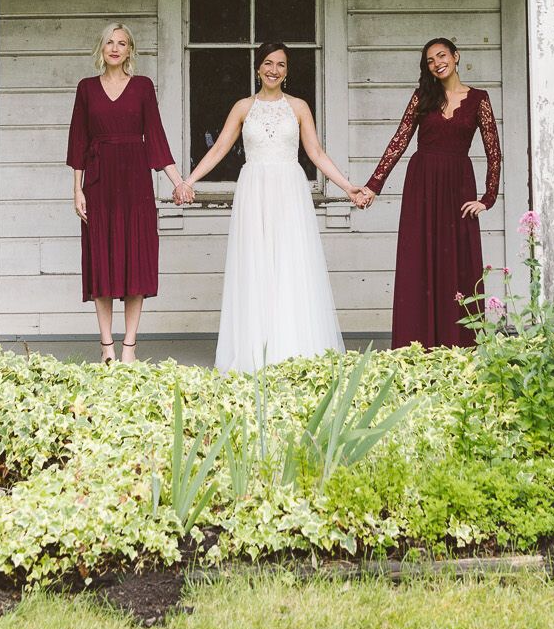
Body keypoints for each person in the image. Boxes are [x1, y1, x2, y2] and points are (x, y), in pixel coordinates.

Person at [178, 41, 363, 372]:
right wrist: (188, 181)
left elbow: (316, 154)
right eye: (267, 63)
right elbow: (220, 148)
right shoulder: (243, 107)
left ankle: (292, 346)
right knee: (256, 263)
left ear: (287, 71)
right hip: (255, 191)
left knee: (290, 263)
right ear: (257, 67)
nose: (273, 69)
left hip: (289, 191)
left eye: (280, 64)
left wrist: (348, 187)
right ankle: (255, 348)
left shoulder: (299, 107)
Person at [356, 37, 502, 349]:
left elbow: (494, 152)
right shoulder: (423, 96)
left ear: (456, 56)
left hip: (459, 186)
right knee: (418, 262)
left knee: (458, 265)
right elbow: (399, 141)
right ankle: (416, 347)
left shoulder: (479, 99)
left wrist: (487, 198)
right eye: (431, 60)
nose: (437, 63)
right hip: (421, 185)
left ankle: (459, 346)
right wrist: (373, 186)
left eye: (442, 56)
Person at [67, 24, 188, 363]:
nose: (115, 48)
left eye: (122, 43)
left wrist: (178, 181)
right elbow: (78, 140)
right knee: (102, 260)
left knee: (136, 258)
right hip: (99, 182)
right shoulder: (87, 89)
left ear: (131, 50)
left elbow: (156, 136)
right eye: (109, 42)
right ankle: (107, 347)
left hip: (135, 183)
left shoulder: (142, 87)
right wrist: (77, 189)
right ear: (101, 48)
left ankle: (129, 348)